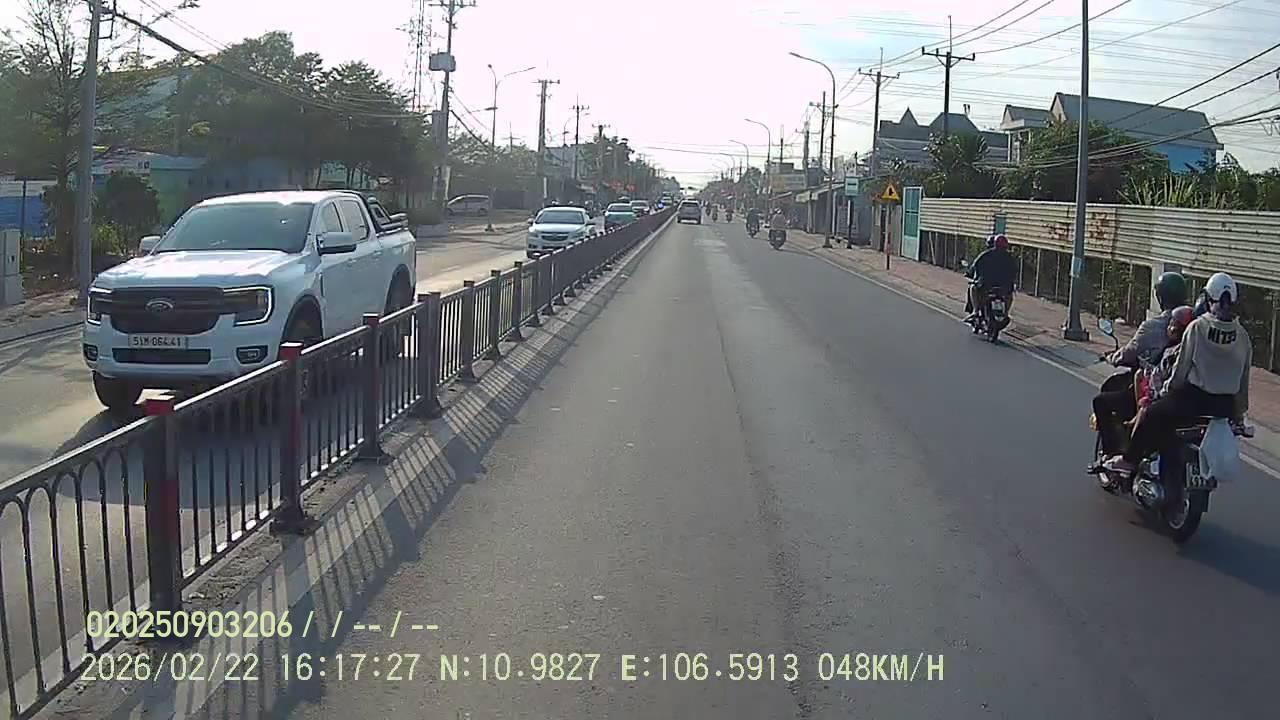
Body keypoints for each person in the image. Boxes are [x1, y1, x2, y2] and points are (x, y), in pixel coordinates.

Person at [1105, 272, 1252, 478]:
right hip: (1224, 406)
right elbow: (1243, 380)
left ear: (1207, 298)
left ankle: (1129, 461)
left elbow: (1180, 370)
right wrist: (1239, 413)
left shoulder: (1197, 328)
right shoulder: (1243, 336)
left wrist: (1166, 391)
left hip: (1193, 401)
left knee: (1151, 414)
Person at [1090, 271, 1188, 460]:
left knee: (1101, 401)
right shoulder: (1194, 324)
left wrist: (1112, 358)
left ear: (1160, 297)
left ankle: (1113, 454)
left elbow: (1130, 351)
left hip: (1158, 386)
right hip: (1182, 390)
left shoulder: (1153, 326)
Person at [964, 234, 1018, 322]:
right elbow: (1014, 271)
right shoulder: (1009, 257)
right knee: (1009, 295)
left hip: (987, 285)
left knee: (973, 288)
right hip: (1003, 286)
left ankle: (976, 311)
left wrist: (972, 275)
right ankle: (1006, 313)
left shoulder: (986, 255)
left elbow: (976, 266)